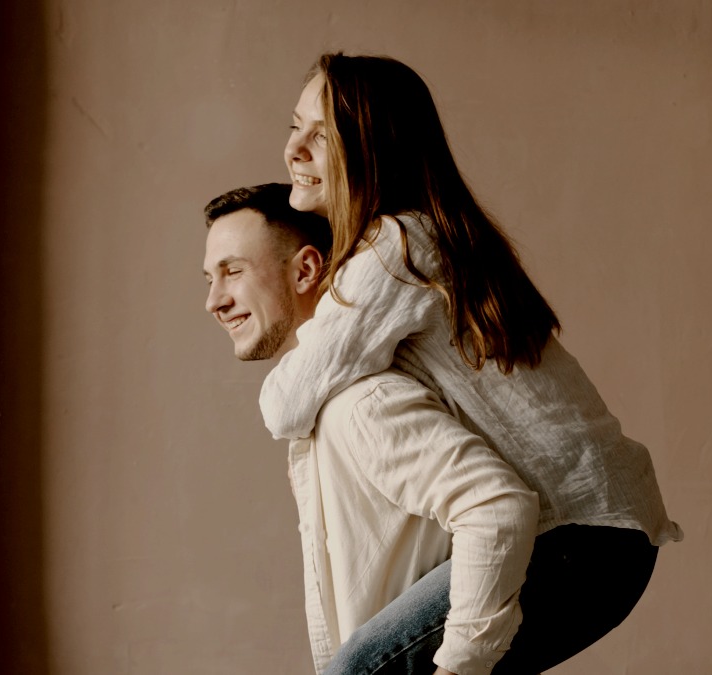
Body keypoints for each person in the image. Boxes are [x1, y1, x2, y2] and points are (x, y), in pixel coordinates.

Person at [263, 53, 684, 674]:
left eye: (321, 136)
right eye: (294, 126)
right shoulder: (432, 237)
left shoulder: (393, 249)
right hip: (607, 531)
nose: (294, 149)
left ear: (373, 148)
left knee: (359, 670)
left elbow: (287, 404)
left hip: (573, 535)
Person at [203, 183, 539, 674]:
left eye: (232, 271)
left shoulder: (360, 403)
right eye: (209, 279)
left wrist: (457, 669)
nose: (215, 301)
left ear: (306, 270)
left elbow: (496, 507)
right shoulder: (323, 410)